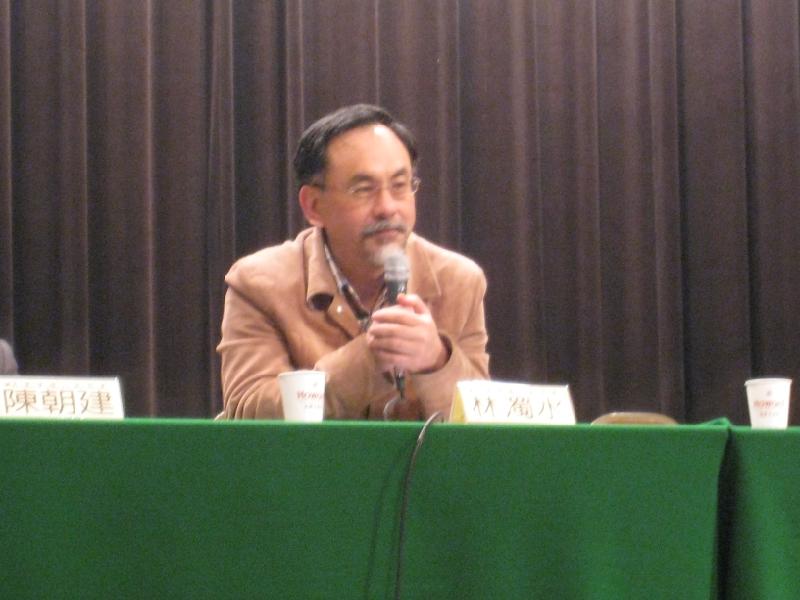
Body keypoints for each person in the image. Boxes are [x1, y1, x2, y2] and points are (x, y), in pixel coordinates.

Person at [217, 104, 489, 420]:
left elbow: (483, 421)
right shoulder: (258, 284)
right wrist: (365, 361)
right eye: (363, 189)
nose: (387, 207)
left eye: (400, 186)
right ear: (313, 205)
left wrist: (437, 360)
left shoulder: (459, 280)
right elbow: (246, 412)